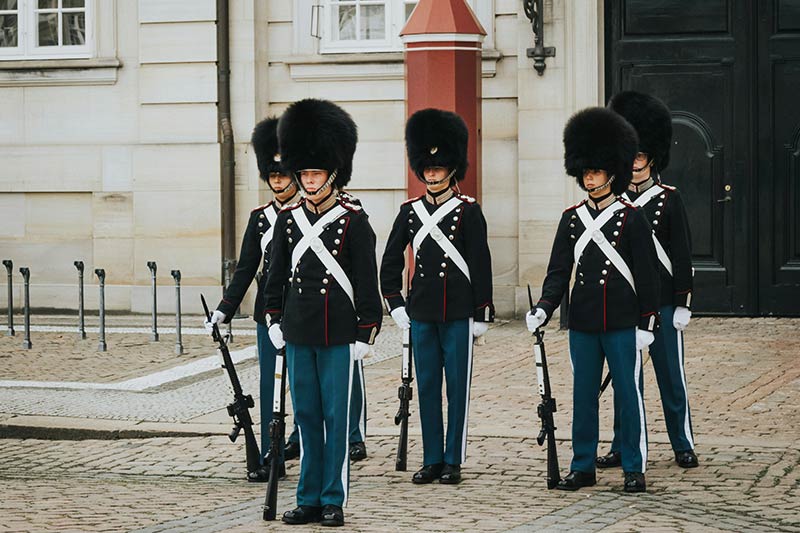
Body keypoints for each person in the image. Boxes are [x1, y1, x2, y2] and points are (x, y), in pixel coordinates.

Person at [526, 107, 660, 493]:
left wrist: (647, 324)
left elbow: (648, 276)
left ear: (611, 171)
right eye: (585, 171)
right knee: (583, 397)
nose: (589, 177)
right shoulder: (571, 219)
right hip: (583, 322)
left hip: (622, 322)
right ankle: (582, 465)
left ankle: (634, 467)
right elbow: (558, 272)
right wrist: (544, 309)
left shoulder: (632, 217)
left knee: (628, 397)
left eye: (596, 170)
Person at [263, 98, 382, 527]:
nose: (309, 181)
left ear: (333, 173)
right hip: (298, 332)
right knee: (307, 417)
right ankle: (308, 497)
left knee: (335, 419)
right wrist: (273, 319)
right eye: (305, 173)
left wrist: (366, 334)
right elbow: (275, 277)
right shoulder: (289, 220)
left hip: (337, 335)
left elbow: (367, 283)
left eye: (316, 173)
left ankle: (334, 498)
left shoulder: (353, 221)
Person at [380, 108, 494, 486]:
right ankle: (431, 458)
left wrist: (481, 313)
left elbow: (480, 263)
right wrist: (396, 303)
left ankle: (453, 459)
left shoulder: (468, 211)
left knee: (457, 389)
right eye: (426, 168)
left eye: (439, 166)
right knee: (427, 387)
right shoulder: (410, 212)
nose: (431, 172)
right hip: (423, 312)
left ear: (451, 168)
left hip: (458, 312)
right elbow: (391, 259)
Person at [596, 91, 697, 469]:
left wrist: (684, 302)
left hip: (666, 302)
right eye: (631, 155)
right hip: (629, 305)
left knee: (671, 377)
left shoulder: (668, 198)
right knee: (626, 383)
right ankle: (624, 445)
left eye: (640, 156)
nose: (635, 163)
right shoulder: (615, 204)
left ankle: (682, 442)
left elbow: (683, 253)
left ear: (651, 158)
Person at [205, 116, 300, 481]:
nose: (277, 181)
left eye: (282, 175)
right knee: (269, 386)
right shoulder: (261, 218)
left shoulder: (306, 214)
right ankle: (271, 454)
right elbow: (246, 269)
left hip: (303, 311)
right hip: (268, 315)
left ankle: (303, 443)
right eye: (272, 176)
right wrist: (224, 310)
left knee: (304, 386)